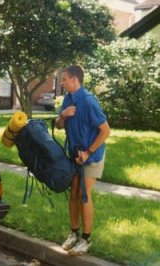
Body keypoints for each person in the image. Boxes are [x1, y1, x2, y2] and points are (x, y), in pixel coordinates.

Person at [55, 65, 110, 256]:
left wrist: (88, 152)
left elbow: (106, 131)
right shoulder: (68, 100)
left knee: (84, 195)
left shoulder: (88, 101)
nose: (61, 83)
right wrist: (63, 114)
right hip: (75, 155)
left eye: (64, 79)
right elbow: (59, 125)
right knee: (74, 194)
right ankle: (73, 234)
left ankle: (86, 240)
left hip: (91, 155)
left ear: (74, 80)